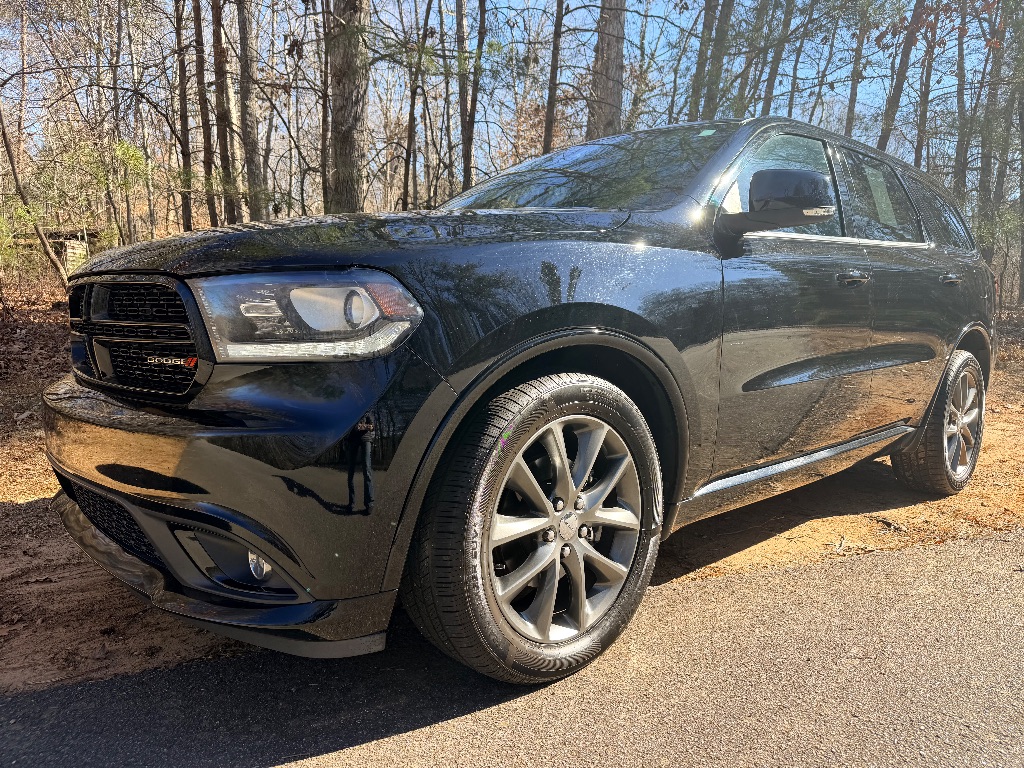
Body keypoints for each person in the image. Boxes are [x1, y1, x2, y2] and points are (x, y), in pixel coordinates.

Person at [347, 413, 375, 511]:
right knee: (350, 471)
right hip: (352, 440)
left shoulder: (367, 410)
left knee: (367, 469)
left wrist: (364, 426)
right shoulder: (350, 410)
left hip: (365, 439)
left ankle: (369, 503)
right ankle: (351, 502)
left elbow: (372, 426)